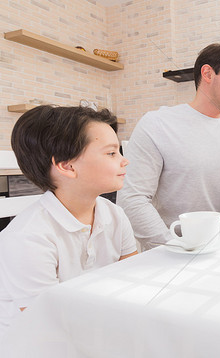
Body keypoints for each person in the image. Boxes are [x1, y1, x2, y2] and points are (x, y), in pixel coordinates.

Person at [0, 105, 137, 338]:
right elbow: (48, 322)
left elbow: (133, 279)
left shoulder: (115, 215)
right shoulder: (28, 238)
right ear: (67, 166)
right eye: (111, 153)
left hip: (94, 327)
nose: (125, 161)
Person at [117, 43, 220, 250]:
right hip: (168, 253)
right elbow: (132, 200)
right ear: (208, 74)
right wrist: (174, 245)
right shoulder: (157, 124)